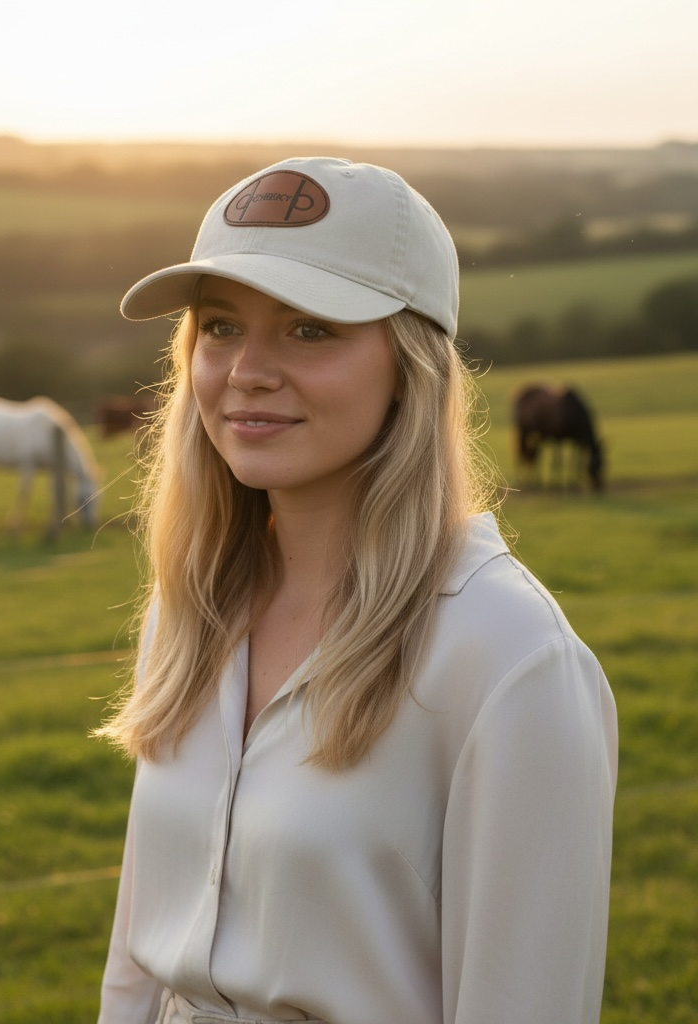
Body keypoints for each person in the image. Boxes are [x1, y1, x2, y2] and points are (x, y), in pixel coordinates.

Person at [94, 157, 617, 1024]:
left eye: (309, 330)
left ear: (411, 364)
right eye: (221, 327)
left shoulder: (508, 660)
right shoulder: (189, 611)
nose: (246, 371)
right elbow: (139, 953)